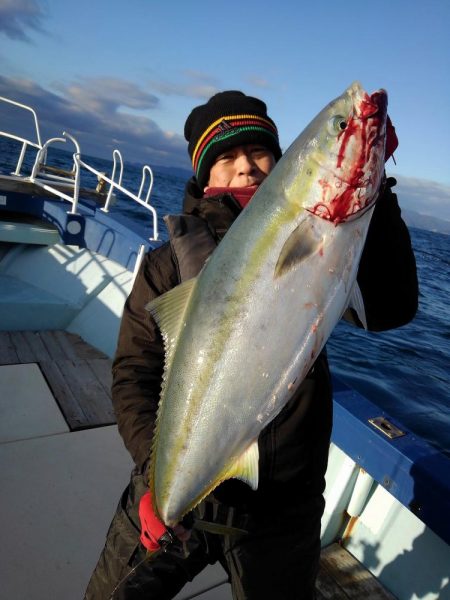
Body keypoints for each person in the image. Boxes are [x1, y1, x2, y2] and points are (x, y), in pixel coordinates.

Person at [84, 91, 418, 600]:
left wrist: (377, 192)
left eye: (260, 153)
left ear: (285, 164)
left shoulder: (325, 244)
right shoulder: (163, 268)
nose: (246, 167)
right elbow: (133, 373)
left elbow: (392, 308)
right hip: (177, 493)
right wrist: (156, 482)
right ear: (204, 175)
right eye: (225, 156)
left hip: (284, 508)